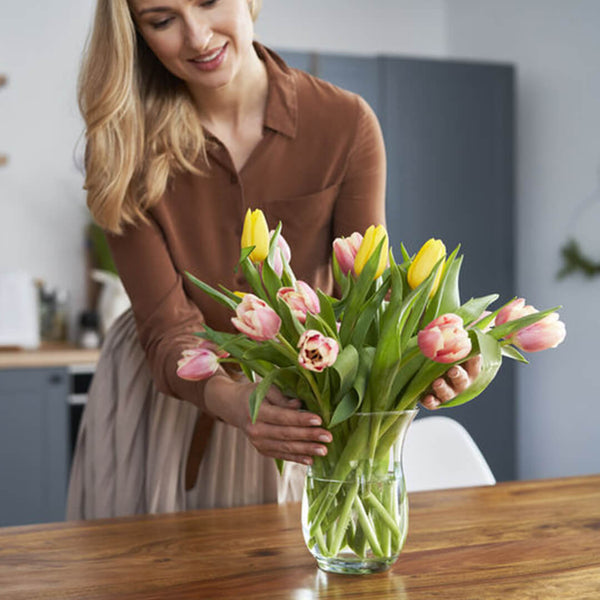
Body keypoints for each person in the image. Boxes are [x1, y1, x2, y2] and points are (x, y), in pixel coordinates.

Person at [67, 0, 480, 519]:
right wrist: (235, 400)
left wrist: (432, 358)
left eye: (208, 2)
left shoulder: (344, 125)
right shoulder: (122, 144)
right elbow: (167, 327)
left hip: (299, 395)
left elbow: (366, 296)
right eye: (162, 19)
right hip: (169, 395)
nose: (197, 37)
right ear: (136, 32)